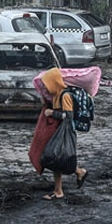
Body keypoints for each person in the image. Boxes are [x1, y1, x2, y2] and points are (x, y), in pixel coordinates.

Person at [40, 67, 88, 200]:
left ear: (54, 82)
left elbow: (68, 116)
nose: (46, 86)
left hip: (66, 131)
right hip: (58, 130)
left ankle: (59, 190)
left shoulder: (65, 95)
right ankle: (77, 174)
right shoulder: (56, 94)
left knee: (59, 157)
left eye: (47, 83)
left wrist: (52, 113)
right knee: (59, 158)